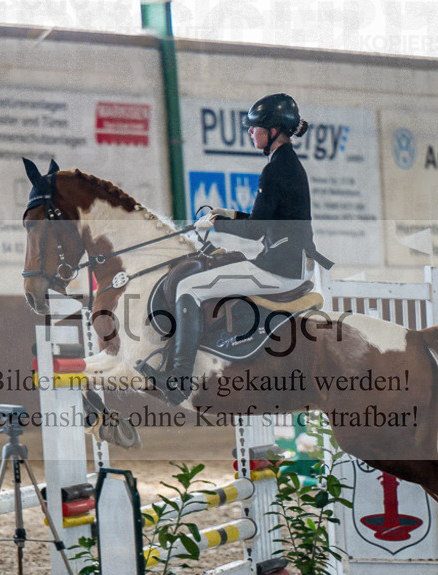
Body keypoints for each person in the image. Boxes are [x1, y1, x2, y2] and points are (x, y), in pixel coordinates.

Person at [140, 93, 333, 405]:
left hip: (278, 270)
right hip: (289, 263)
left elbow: (256, 230)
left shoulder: (275, 170)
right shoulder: (288, 165)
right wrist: (226, 215)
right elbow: (265, 221)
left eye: (254, 127)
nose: (249, 133)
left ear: (273, 130)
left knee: (189, 286)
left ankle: (179, 377)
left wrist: (215, 226)